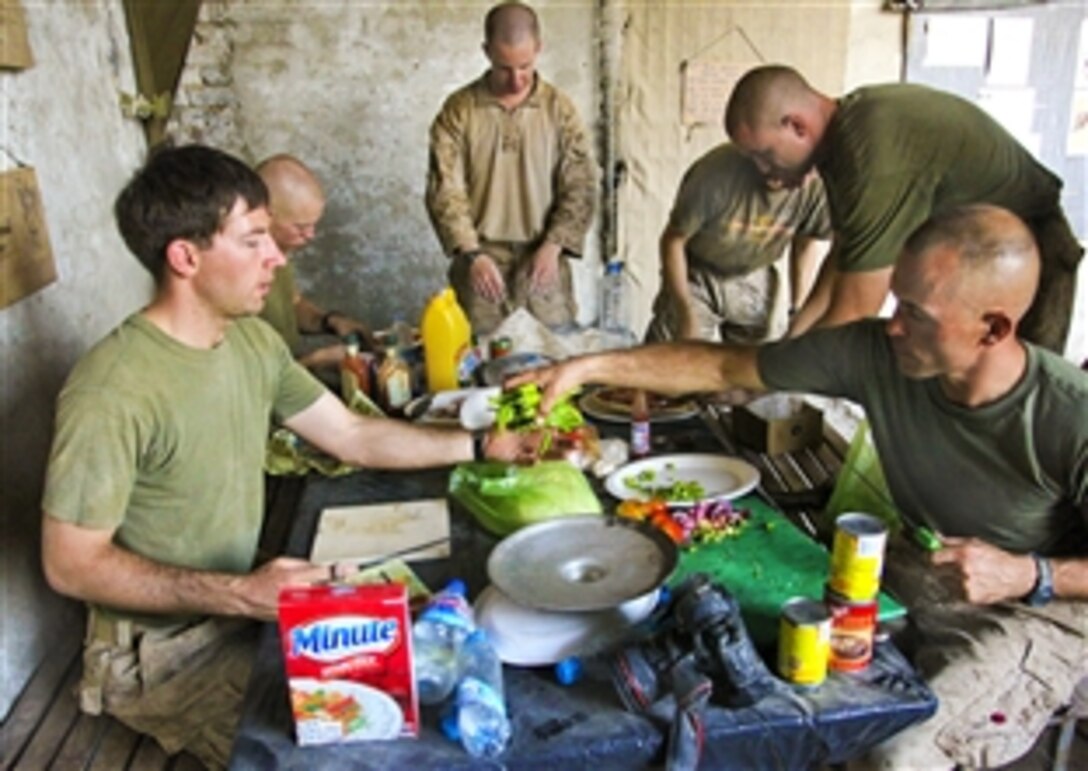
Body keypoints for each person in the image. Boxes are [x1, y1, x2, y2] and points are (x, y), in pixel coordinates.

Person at [512, 205, 1088, 770]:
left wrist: (1030, 573)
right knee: (739, 653)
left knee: (896, 751)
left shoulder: (1069, 415)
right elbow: (723, 367)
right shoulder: (882, 352)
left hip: (1033, 609)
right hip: (915, 567)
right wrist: (583, 370)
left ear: (994, 328)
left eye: (916, 313)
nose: (893, 324)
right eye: (896, 300)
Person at [39, 144, 536, 769]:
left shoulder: (248, 341)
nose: (276, 255)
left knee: (452, 663)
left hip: (244, 605)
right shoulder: (112, 389)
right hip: (161, 652)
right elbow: (71, 565)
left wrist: (480, 446)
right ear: (185, 257)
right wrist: (246, 595)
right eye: (252, 240)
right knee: (369, 746)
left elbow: (352, 435)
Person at [724, 64, 1083, 354]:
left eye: (765, 155)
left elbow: (855, 311)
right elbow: (844, 258)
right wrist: (792, 340)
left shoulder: (869, 154)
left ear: (797, 126)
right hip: (974, 262)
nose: (763, 170)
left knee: (1011, 408)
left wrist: (762, 377)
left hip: (1028, 255)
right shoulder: (842, 143)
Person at [425, 1, 598, 335]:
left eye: (525, 66)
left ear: (539, 49)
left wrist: (554, 244)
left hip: (543, 259)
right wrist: (471, 253)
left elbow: (580, 185)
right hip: (481, 263)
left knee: (554, 360)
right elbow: (445, 189)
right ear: (486, 51)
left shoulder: (559, 109)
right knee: (480, 363)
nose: (517, 80)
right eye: (505, 68)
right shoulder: (459, 110)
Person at [644, 143, 831, 345]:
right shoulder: (714, 173)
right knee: (673, 356)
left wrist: (797, 310)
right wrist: (685, 312)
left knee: (753, 365)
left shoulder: (814, 185)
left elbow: (805, 244)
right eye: (770, 167)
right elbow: (673, 241)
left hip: (756, 273)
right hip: (697, 271)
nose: (776, 179)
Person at [256, 153, 376, 370]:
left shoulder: (279, 253)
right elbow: (247, 386)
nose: (310, 235)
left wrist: (330, 321)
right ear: (266, 215)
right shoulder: (237, 272)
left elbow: (292, 303)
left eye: (313, 225)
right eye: (300, 227)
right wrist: (315, 361)